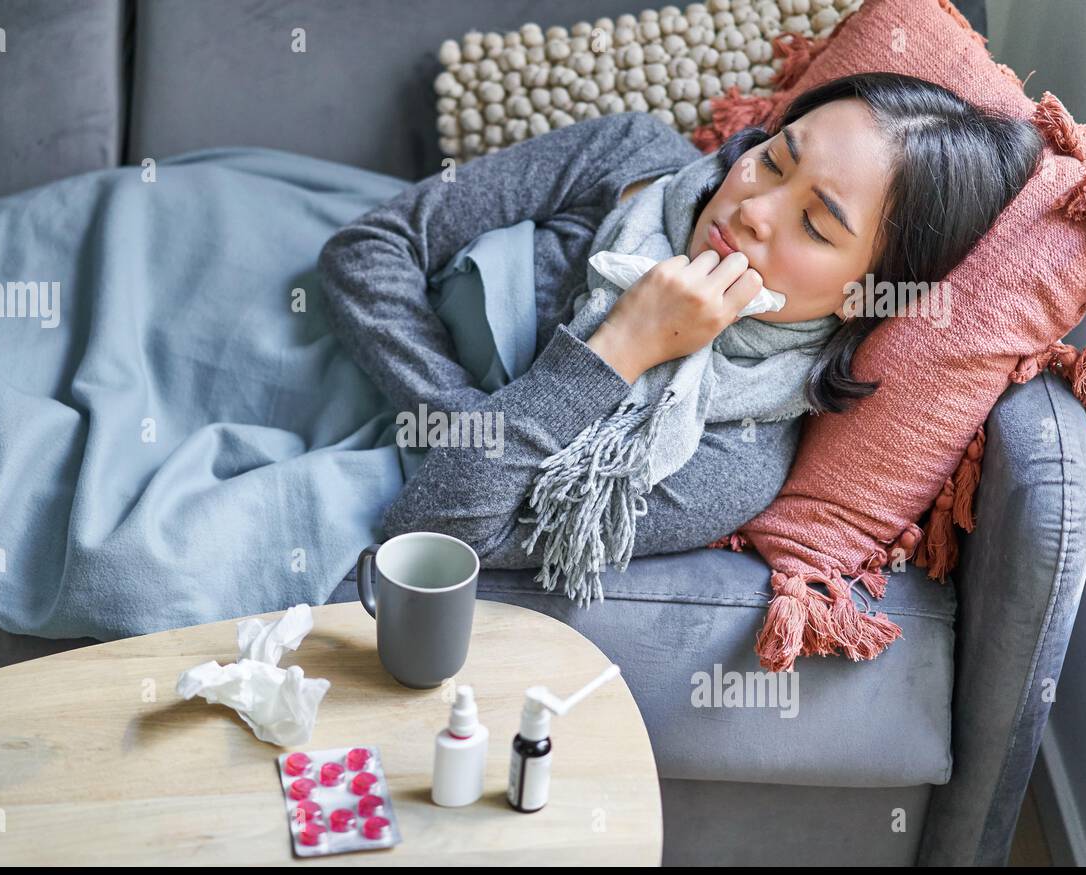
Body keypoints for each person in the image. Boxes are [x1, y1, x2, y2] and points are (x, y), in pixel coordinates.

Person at [318, 71, 1043, 572]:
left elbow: (436, 531)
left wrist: (618, 349)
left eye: (816, 227)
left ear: (866, 294)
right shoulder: (633, 158)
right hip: (321, 325)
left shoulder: (731, 463)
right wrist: (468, 427)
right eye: (774, 160)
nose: (753, 210)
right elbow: (369, 248)